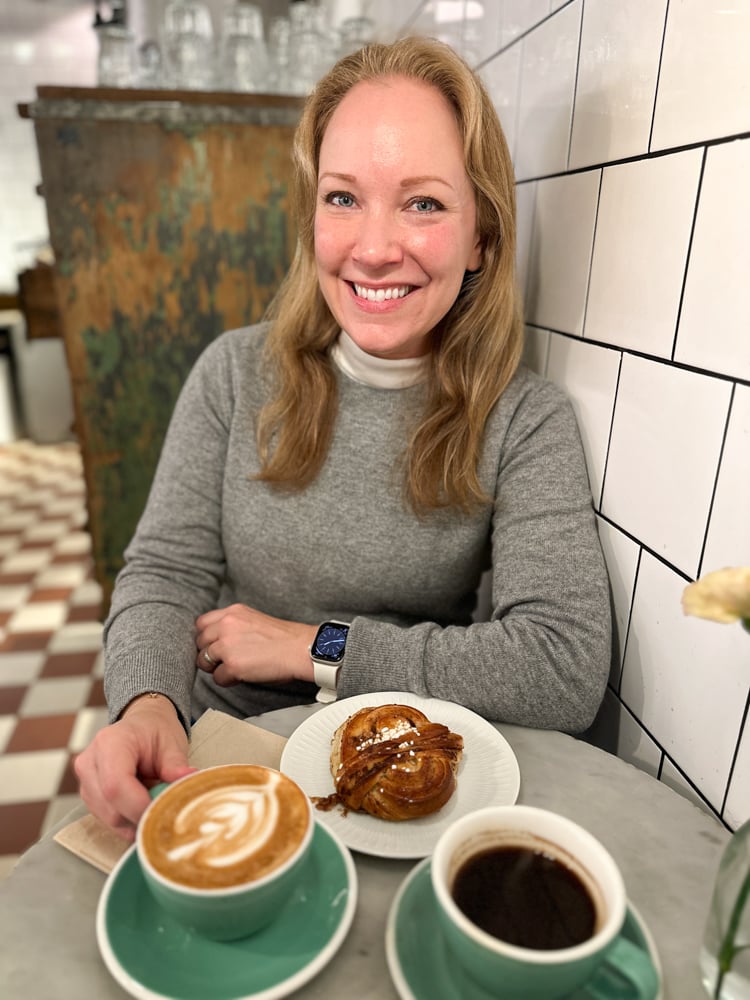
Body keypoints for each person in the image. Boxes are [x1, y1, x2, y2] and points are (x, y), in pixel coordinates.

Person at [75, 36, 612, 840]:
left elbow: (560, 666)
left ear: (481, 239)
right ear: (312, 215)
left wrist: (311, 647)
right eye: (343, 198)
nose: (372, 247)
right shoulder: (231, 375)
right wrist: (148, 702)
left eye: (423, 203)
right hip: (224, 753)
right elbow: (164, 570)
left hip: (408, 770)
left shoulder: (524, 420)